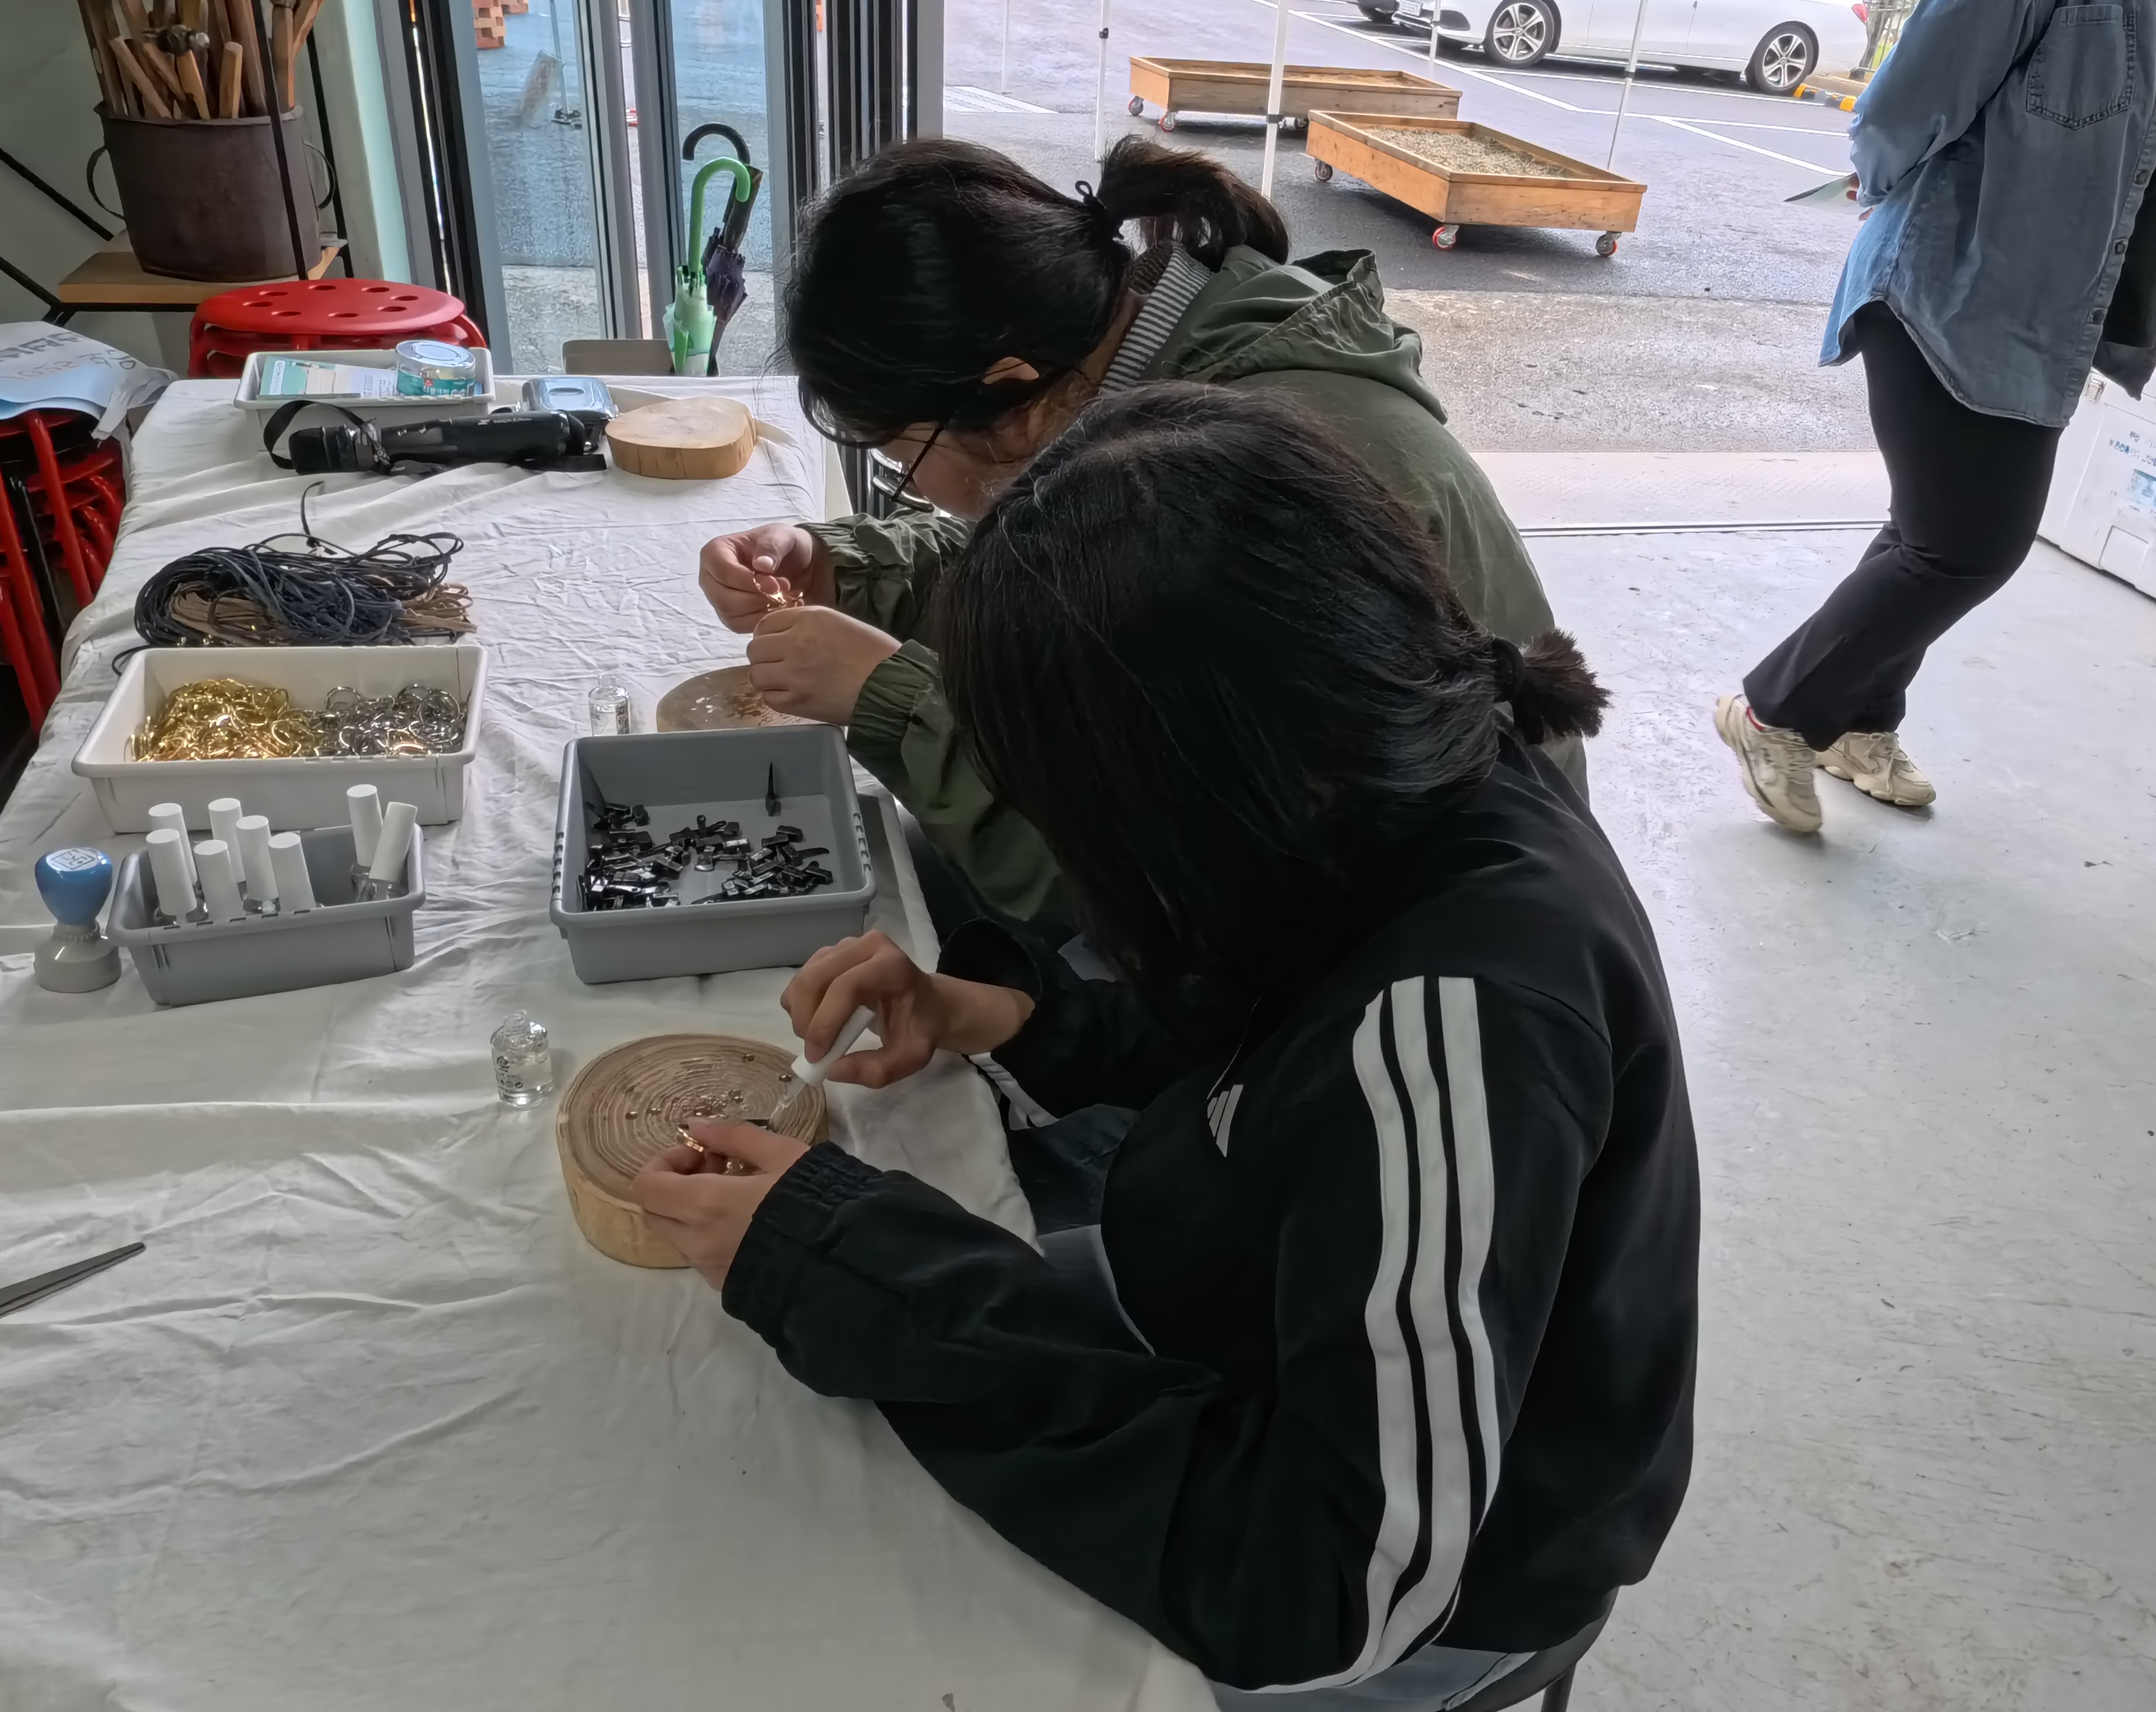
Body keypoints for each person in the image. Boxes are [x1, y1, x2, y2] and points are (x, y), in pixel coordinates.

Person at [636, 385, 1699, 1710]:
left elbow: (1325, 1589)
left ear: (1193, 789)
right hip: (1241, 1296)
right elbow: (1274, 1012)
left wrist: (849, 1261)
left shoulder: (1459, 1029)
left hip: (1417, 1588)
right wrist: (1016, 1017)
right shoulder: (1385, 775)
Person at [696, 135, 1570, 923]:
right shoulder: (1143, 365)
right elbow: (1057, 571)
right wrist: (850, 571)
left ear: (1008, 384)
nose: (910, 486)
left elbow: (1144, 875)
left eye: (902, 458)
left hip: (1408, 945)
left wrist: (894, 704)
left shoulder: (1225, 480)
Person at [1715, 0, 2156, 830]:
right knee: (1968, 548)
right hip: (1956, 290)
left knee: (1929, 529)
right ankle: (1777, 712)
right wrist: (1884, 190)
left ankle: (1859, 723)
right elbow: (1900, 110)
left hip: (2054, 308)